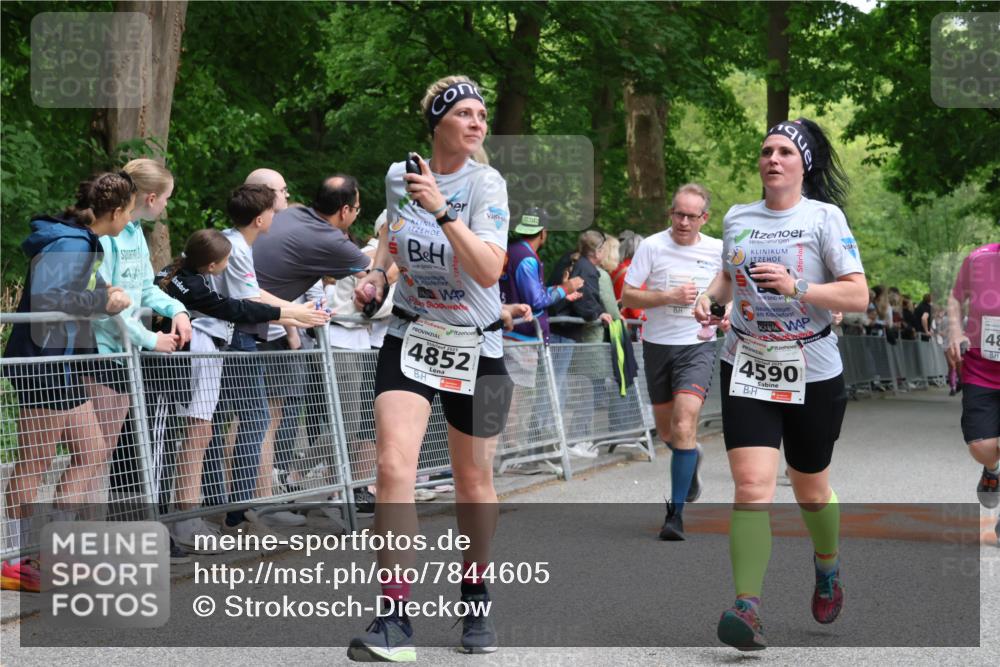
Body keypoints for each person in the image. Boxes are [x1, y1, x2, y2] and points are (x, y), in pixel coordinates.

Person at [350, 74, 513, 660]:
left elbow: (490, 270)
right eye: (465, 113)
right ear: (438, 122)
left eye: (482, 115)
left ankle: (475, 590)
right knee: (393, 468)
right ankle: (394, 619)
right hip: (412, 335)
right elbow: (393, 236)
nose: (477, 123)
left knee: (475, 482)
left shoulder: (486, 183)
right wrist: (375, 275)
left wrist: (444, 210)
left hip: (482, 346)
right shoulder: (401, 174)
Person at [695, 118, 868, 651]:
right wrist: (712, 296)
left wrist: (800, 286)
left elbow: (857, 295)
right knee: (752, 487)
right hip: (747, 358)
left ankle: (827, 566)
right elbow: (729, 273)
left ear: (803, 164)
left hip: (812, 364)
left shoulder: (824, 217)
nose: (772, 159)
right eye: (766, 150)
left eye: (784, 152)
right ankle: (748, 607)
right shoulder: (737, 217)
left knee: (812, 489)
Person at [154, 228, 328, 551]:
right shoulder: (195, 286)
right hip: (195, 355)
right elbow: (239, 309)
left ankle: (189, 517)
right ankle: (184, 520)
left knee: (201, 433)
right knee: (197, 434)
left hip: (195, 354)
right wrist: (290, 313)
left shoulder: (175, 270)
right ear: (211, 266)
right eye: (226, 261)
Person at [2, 172, 135, 591]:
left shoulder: (78, 238)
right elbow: (49, 297)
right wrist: (103, 300)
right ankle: (15, 560)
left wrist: (98, 292)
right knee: (36, 460)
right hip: (43, 362)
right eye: (129, 213)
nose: (130, 221)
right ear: (115, 211)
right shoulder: (72, 241)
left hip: (59, 361)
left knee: (92, 451)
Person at [251, 174, 372, 515]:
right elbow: (373, 275)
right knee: (263, 420)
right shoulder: (329, 239)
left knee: (254, 419)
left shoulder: (294, 213)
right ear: (345, 211)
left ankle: (256, 505)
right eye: (357, 209)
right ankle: (262, 505)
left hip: (258, 325)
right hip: (255, 329)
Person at [621, 183, 724, 541]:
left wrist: (720, 314)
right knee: (668, 432)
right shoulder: (652, 246)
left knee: (683, 423)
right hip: (658, 346)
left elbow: (729, 296)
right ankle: (690, 457)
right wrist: (667, 296)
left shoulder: (717, 250)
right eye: (677, 214)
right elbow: (627, 296)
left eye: (690, 216)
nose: (682, 221)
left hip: (697, 346)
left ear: (704, 218)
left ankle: (674, 515)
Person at [91, 159, 192, 506]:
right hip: (101, 353)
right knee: (92, 456)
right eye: (166, 198)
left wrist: (177, 310)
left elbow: (145, 289)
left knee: (100, 457)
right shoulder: (107, 236)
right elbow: (102, 304)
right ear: (150, 198)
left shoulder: (134, 234)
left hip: (125, 354)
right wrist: (151, 339)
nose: (166, 205)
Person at [546, 230, 614, 457]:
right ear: (598, 251)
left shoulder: (572, 261)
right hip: (562, 333)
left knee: (557, 385)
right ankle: (549, 442)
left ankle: (550, 442)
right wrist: (599, 314)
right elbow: (585, 299)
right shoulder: (587, 269)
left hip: (560, 332)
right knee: (554, 386)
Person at [946, 243, 1000, 514]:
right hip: (982, 366)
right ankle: (993, 469)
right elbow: (956, 297)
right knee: (982, 445)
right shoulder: (979, 259)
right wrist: (955, 332)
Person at [612, 230, 646, 325]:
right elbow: (636, 311)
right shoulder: (634, 271)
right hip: (630, 324)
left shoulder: (616, 268)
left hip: (617, 321)